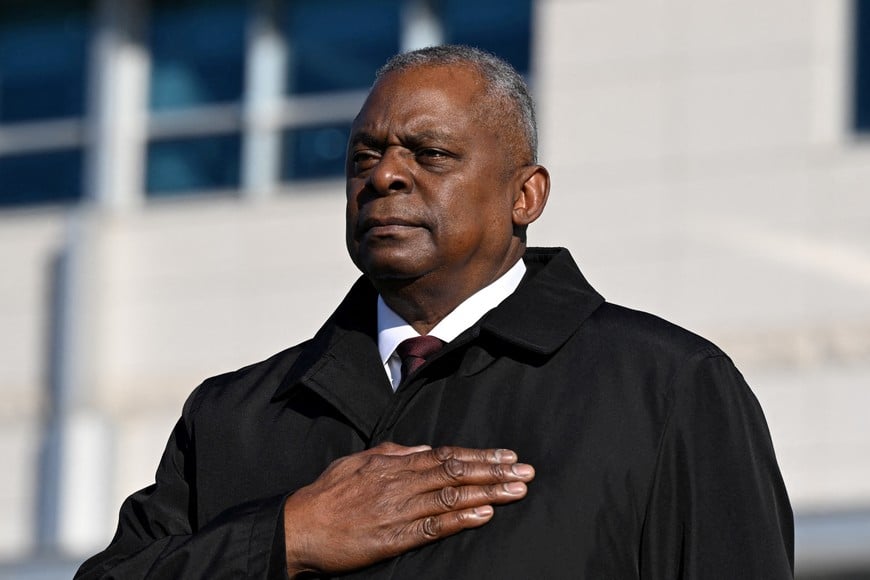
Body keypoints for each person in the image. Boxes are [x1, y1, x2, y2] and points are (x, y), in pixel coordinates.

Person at [76, 45, 793, 579]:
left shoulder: (664, 387)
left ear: (526, 196)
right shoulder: (235, 414)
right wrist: (286, 539)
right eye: (365, 157)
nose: (385, 175)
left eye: (430, 153)